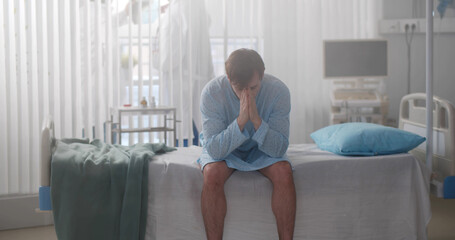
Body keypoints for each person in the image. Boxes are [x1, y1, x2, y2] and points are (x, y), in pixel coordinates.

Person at [198, 49, 296, 240]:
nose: (247, 95)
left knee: (284, 171)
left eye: (253, 88)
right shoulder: (211, 93)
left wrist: (256, 121)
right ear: (228, 79)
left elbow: (279, 148)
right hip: (225, 150)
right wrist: (241, 121)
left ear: (262, 74)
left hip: (263, 149)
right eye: (239, 88)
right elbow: (215, 150)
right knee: (211, 173)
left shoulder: (279, 91)